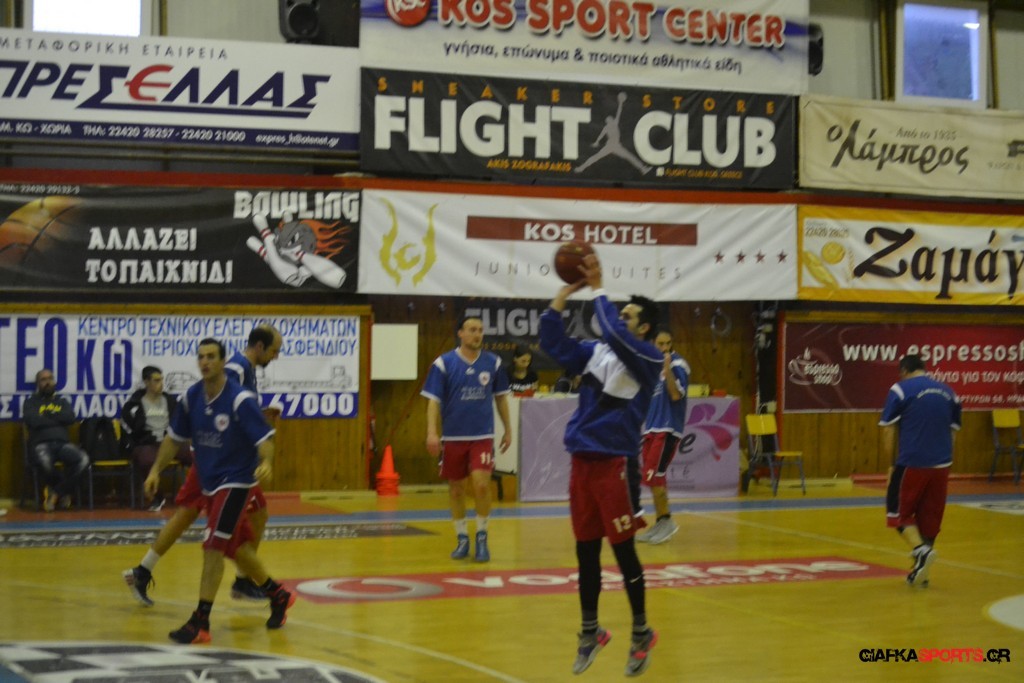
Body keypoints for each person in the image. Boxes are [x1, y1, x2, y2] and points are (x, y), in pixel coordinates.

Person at [539, 252, 663, 677]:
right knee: (585, 552)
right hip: (583, 463)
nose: (618, 318)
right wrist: (562, 295)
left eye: (628, 316)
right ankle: (590, 632)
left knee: (624, 553)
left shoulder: (647, 358)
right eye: (619, 313)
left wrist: (598, 288)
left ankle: (642, 632)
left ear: (643, 329)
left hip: (615, 466)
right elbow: (553, 344)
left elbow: (610, 327)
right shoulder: (596, 353)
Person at [144, 337, 293, 644]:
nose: (205, 362)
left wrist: (267, 462)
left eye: (211, 356)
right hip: (210, 480)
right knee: (234, 547)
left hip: (236, 481)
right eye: (201, 356)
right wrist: (155, 469)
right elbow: (173, 438)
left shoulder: (239, 399)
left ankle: (201, 622)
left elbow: (265, 438)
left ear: (224, 361)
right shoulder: (192, 397)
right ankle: (278, 594)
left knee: (213, 545)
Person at [123, 324, 283, 606]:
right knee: (236, 526)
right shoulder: (235, 369)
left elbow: (230, 410)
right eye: (274, 350)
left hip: (221, 459)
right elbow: (216, 409)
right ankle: (244, 583)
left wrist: (257, 415)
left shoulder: (243, 370)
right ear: (259, 347)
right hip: (223, 463)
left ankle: (143, 570)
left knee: (188, 514)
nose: (276, 356)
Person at [422, 315, 512, 563]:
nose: (477, 334)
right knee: (456, 489)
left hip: (482, 435)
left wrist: (508, 429)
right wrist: (432, 432)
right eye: (472, 329)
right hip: (453, 437)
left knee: (481, 485)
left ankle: (482, 536)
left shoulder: (493, 363)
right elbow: (433, 401)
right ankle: (462, 537)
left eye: (480, 330)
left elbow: (501, 399)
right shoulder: (444, 364)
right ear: (460, 333)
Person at [879, 354, 962, 588]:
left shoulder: (900, 389)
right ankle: (921, 570)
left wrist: (890, 466)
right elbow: (953, 433)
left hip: (912, 462)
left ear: (904, 371)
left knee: (898, 514)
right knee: (929, 519)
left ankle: (920, 551)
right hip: (942, 465)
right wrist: (944, 461)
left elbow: (888, 430)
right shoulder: (949, 393)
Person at [635, 329, 690, 545]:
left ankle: (667, 522)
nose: (665, 348)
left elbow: (675, 395)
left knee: (655, 477)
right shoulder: (651, 366)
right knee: (653, 479)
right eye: (660, 344)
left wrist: (667, 369)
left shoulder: (678, 364)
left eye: (668, 343)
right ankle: (660, 521)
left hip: (667, 429)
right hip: (651, 429)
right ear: (653, 343)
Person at [120, 365, 193, 510]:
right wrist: (146, 437)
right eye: (156, 380)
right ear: (146, 382)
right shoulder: (133, 405)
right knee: (146, 460)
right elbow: (131, 430)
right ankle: (157, 498)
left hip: (170, 441)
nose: (161, 384)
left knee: (197, 455)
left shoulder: (170, 401)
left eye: (162, 380)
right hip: (147, 442)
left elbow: (179, 423)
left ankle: (199, 494)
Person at [23, 369, 90, 512]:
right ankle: (63, 492)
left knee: (83, 460)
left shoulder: (62, 401)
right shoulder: (30, 402)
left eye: (50, 378)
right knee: (45, 464)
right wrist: (57, 417)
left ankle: (56, 492)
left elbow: (70, 418)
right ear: (38, 383)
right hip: (40, 444)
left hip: (62, 444)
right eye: (43, 380)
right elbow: (33, 421)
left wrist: (47, 415)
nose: (47, 382)